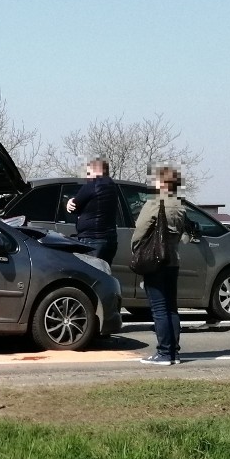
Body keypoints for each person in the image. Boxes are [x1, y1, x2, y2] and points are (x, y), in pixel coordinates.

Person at [131, 165, 190, 366]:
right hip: (173, 259)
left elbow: (140, 228)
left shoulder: (155, 202)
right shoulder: (180, 205)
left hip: (155, 258)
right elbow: (184, 233)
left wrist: (136, 249)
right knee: (171, 308)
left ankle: (164, 353)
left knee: (158, 308)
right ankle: (174, 352)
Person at [65, 157, 118, 265]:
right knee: (103, 274)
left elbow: (75, 206)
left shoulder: (93, 184)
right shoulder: (111, 185)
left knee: (90, 276)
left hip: (92, 239)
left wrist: (69, 201)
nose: (87, 176)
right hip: (109, 239)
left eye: (89, 172)